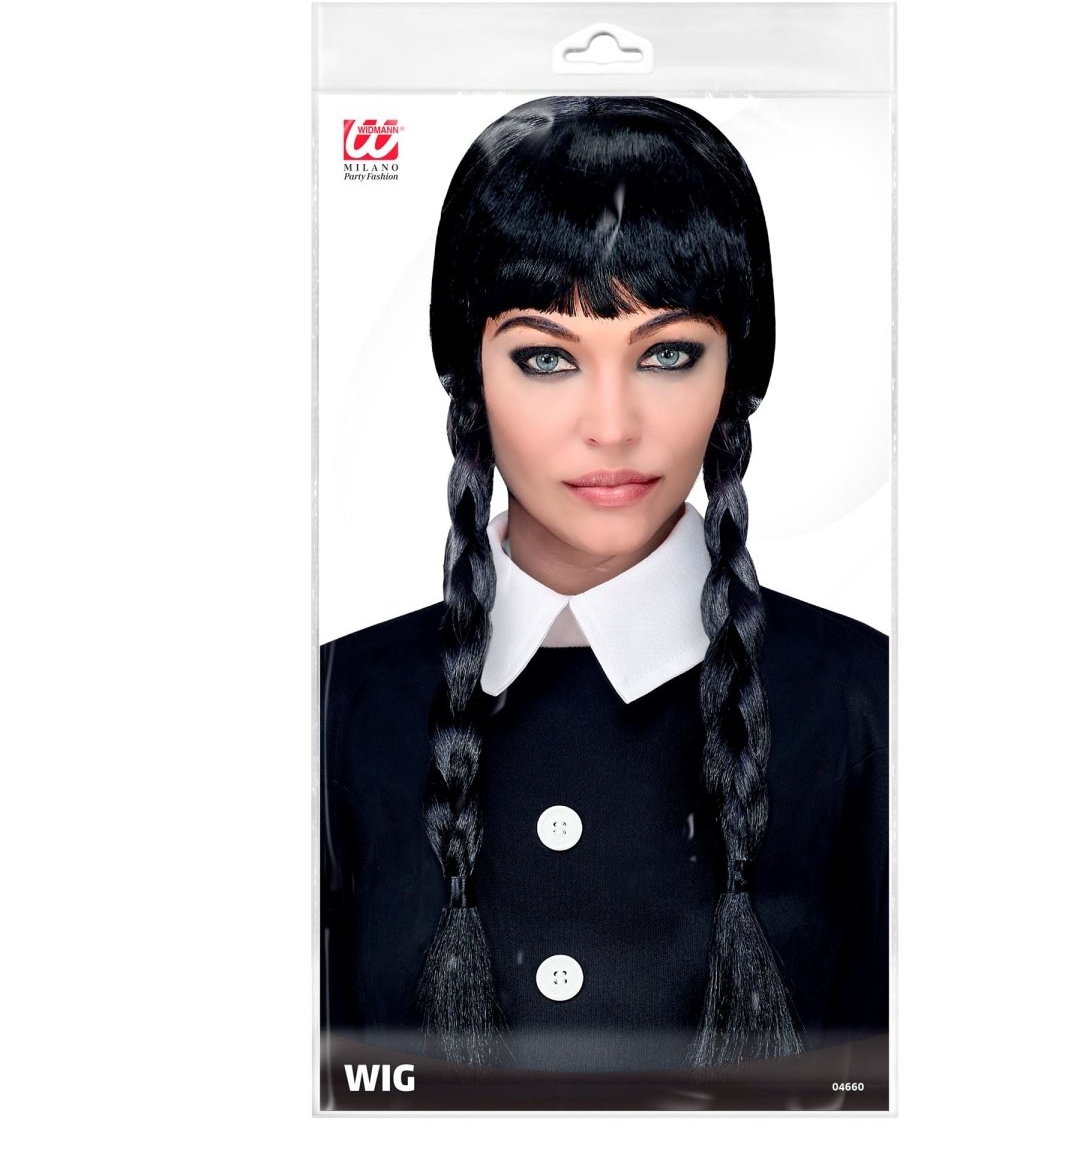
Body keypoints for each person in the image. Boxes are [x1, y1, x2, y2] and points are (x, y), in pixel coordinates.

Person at [320, 95, 888, 1100]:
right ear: (469, 374)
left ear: (736, 373)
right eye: (546, 358)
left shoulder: (865, 700)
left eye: (668, 354)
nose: (613, 427)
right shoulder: (335, 706)